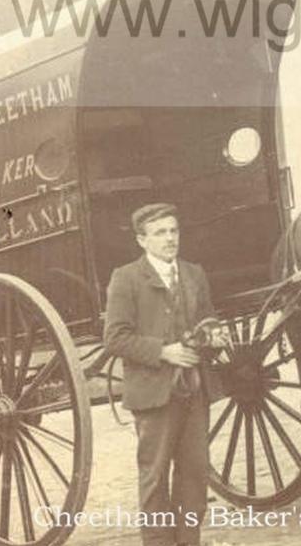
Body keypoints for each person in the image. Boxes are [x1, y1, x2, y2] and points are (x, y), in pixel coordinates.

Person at [104, 203, 216, 546]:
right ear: (142, 240)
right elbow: (115, 338)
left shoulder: (194, 273)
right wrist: (162, 352)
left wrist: (213, 336)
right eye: (160, 233)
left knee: (194, 473)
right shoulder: (125, 278)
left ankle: (188, 541)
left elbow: (208, 319)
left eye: (173, 231)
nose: (170, 239)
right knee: (155, 475)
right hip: (154, 393)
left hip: (194, 390)